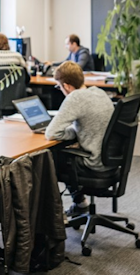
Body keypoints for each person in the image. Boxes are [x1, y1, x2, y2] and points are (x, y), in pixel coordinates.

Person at [45, 61, 115, 217]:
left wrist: (72, 134)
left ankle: (53, 217)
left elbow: (51, 134)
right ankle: (80, 203)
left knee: (46, 159)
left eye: (59, 87)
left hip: (93, 164)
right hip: (110, 161)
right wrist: (77, 133)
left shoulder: (75, 98)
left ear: (67, 86)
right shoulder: (98, 92)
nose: (60, 90)